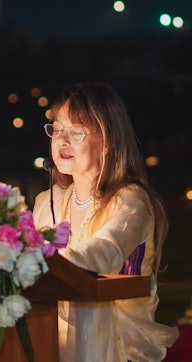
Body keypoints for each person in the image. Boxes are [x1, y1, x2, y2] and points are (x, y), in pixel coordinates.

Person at [32, 83, 177, 361]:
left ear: (109, 142)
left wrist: (36, 262)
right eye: (57, 128)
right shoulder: (46, 201)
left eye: (76, 132)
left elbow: (103, 253)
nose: (62, 141)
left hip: (119, 345)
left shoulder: (131, 201)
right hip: (48, 339)